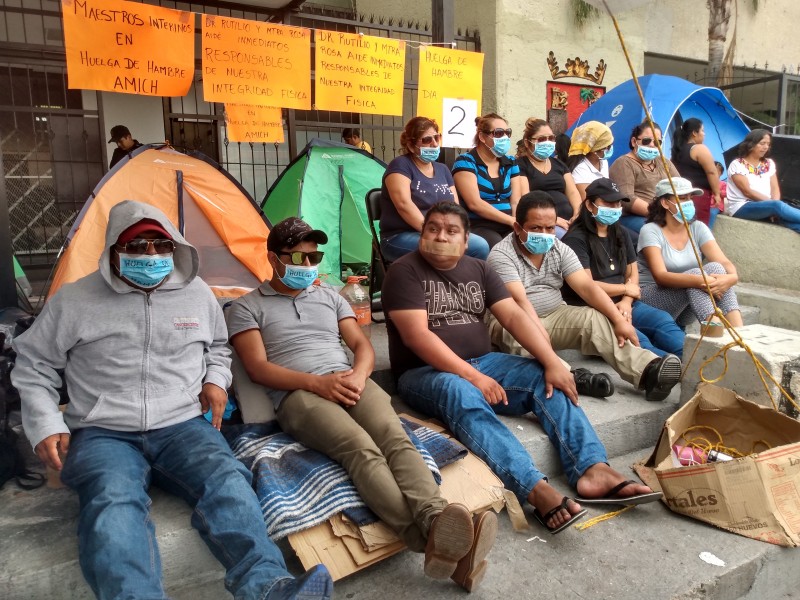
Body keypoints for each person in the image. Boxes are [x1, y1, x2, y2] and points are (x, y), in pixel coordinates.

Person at [11, 201, 333, 600]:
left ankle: (269, 587)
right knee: (113, 502)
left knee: (227, 481)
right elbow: (34, 364)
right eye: (137, 246)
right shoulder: (74, 300)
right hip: (103, 431)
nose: (151, 255)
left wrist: (216, 380)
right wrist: (47, 423)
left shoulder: (197, 294)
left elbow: (218, 346)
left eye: (161, 245)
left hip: (183, 425)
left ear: (175, 248)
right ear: (113, 249)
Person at [227, 216, 497, 592]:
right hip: (298, 395)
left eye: (313, 256)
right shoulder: (245, 308)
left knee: (395, 436)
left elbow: (362, 346)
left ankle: (436, 521)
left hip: (348, 380)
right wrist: (317, 384)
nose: (307, 266)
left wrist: (358, 374)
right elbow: (257, 368)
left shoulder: (330, 297)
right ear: (273, 259)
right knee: (360, 449)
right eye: (297, 258)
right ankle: (429, 541)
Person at [382, 202, 662, 536]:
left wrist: (551, 362)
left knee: (550, 379)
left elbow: (514, 316)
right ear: (422, 233)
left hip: (485, 362)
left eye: (451, 230)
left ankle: (592, 468)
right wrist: (473, 377)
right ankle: (534, 489)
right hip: (424, 373)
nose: (441, 236)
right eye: (433, 229)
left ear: (466, 237)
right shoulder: (404, 270)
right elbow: (417, 336)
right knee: (461, 391)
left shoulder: (479, 268)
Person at [486, 191, 682, 402]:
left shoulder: (558, 248)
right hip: (513, 319)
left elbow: (586, 287)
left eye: (550, 228)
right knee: (516, 335)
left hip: (555, 314)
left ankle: (648, 371)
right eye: (535, 228)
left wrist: (619, 321)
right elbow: (519, 304)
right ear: (518, 228)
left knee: (595, 317)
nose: (544, 234)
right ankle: (573, 377)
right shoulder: (501, 255)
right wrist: (540, 339)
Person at [561, 178, 685, 358]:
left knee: (663, 321)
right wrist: (626, 289)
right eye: (608, 203)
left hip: (626, 303)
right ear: (589, 205)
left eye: (617, 203)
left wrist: (626, 301)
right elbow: (587, 286)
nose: (614, 208)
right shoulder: (576, 239)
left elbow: (632, 272)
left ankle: (697, 364)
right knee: (639, 342)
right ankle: (670, 367)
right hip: (594, 308)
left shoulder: (620, 232)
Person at [380, 117, 490, 261]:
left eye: (436, 137)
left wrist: (457, 232)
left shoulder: (442, 169)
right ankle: (442, 283)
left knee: (480, 246)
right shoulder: (400, 165)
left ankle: (461, 283)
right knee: (448, 249)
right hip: (400, 235)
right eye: (426, 140)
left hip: (442, 233)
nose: (434, 143)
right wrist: (433, 233)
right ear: (412, 146)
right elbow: (404, 205)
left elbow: (455, 207)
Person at [638, 177, 744, 328]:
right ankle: (714, 333)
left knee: (716, 268)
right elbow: (660, 276)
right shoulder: (650, 230)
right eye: (682, 198)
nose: (688, 202)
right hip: (651, 299)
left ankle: (740, 333)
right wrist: (702, 281)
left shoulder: (697, 227)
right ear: (665, 202)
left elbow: (723, 262)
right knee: (697, 275)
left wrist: (732, 278)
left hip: (688, 302)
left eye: (690, 198)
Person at [452, 113, 522, 248]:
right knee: (501, 247)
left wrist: (517, 225)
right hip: (480, 225)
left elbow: (515, 200)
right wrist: (511, 221)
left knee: (524, 243)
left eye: (508, 133)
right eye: (499, 133)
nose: (505, 137)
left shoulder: (511, 162)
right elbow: (475, 204)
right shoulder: (466, 162)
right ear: (482, 137)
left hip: (510, 223)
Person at [609, 121, 680, 236]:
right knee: (660, 232)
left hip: (666, 214)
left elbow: (680, 186)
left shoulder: (663, 162)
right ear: (634, 141)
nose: (652, 145)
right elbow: (627, 199)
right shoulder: (623, 163)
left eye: (657, 142)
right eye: (647, 141)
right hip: (634, 217)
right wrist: (660, 215)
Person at [516, 118, 582, 238]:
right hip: (544, 223)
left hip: (570, 221)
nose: (547, 142)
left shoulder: (559, 164)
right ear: (527, 143)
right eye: (541, 139)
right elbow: (526, 198)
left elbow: (573, 192)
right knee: (569, 238)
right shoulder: (521, 165)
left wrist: (577, 214)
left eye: (551, 138)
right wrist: (554, 220)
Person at [725, 129, 800, 234]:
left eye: (768, 144)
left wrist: (773, 205)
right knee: (777, 206)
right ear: (751, 144)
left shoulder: (769, 163)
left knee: (792, 222)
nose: (766, 147)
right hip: (742, 206)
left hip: (767, 206)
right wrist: (772, 204)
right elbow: (747, 192)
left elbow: (775, 188)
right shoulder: (737, 164)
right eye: (762, 143)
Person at [670, 118, 723, 227]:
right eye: (702, 131)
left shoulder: (676, 151)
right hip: (698, 196)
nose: (704, 134)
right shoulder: (699, 149)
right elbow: (712, 172)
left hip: (678, 196)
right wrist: (717, 194)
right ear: (694, 133)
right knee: (697, 230)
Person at [566, 121, 614, 200]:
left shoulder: (603, 161)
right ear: (594, 150)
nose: (610, 149)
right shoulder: (579, 168)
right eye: (607, 147)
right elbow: (587, 199)